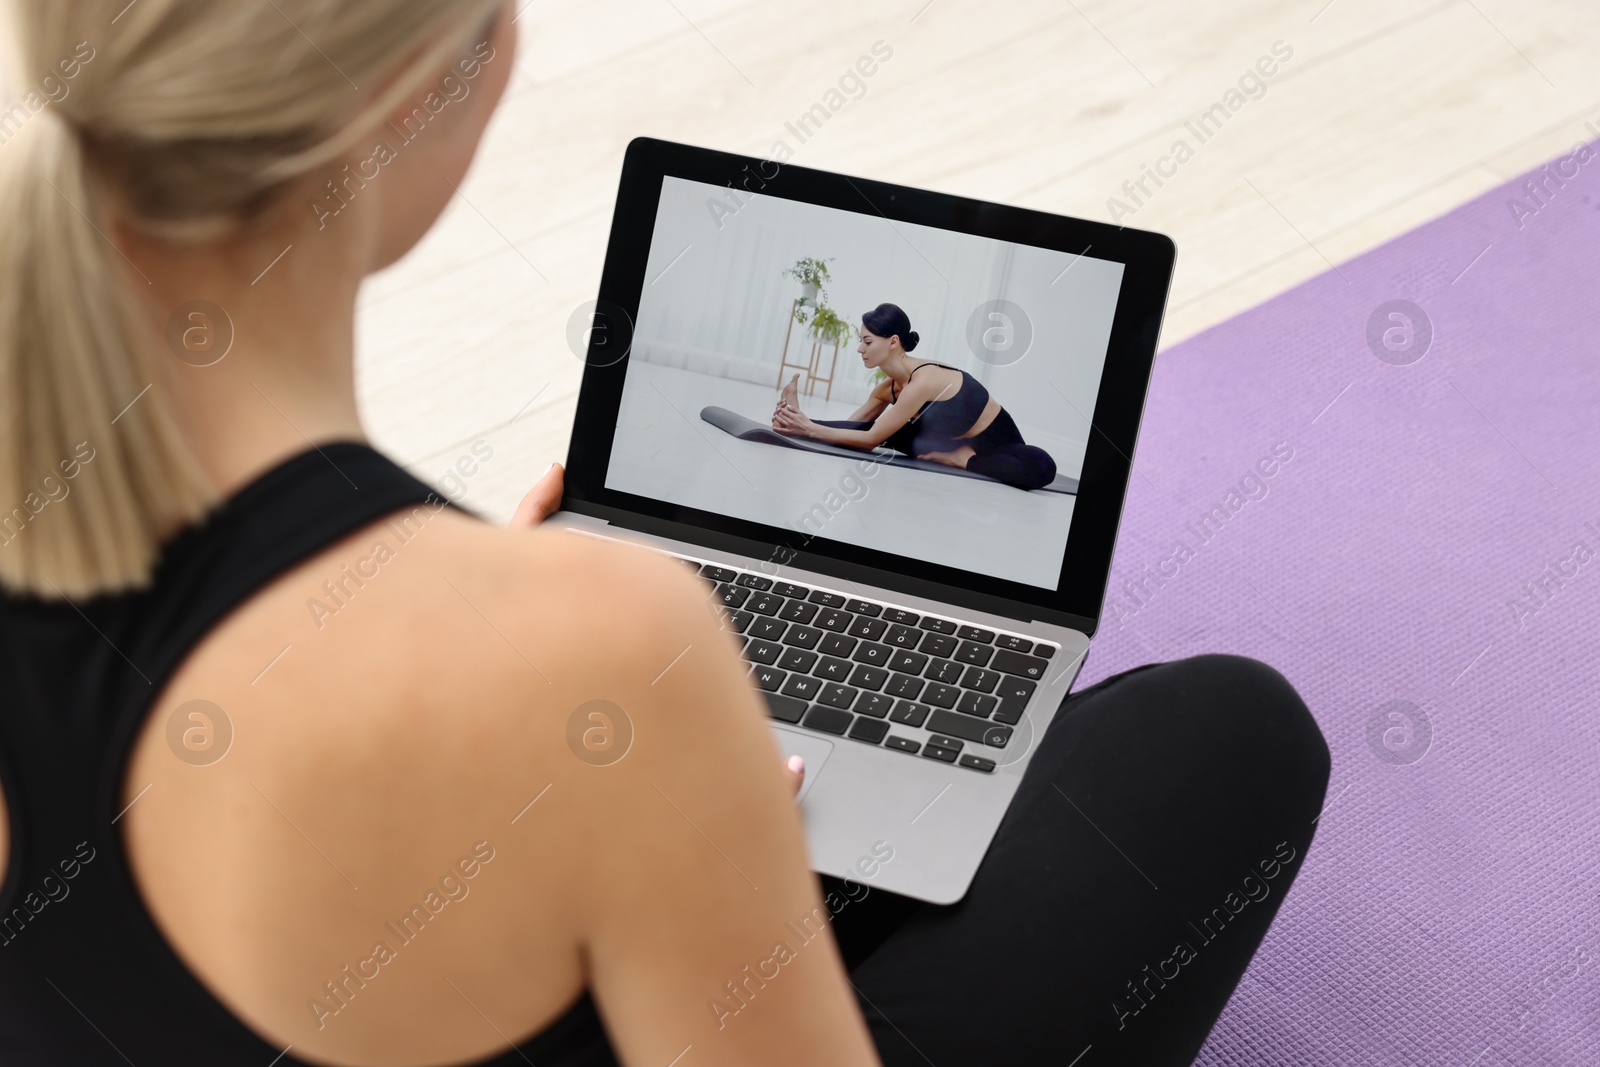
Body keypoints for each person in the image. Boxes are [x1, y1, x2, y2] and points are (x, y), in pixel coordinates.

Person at [0, 2, 1329, 1065]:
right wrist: (621, 729)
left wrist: (498, 634)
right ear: (418, 90)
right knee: (1223, 731)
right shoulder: (604, 642)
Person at [772, 303, 1059, 490]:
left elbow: (870, 439)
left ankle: (962, 460)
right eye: (861, 341)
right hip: (942, 441)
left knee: (1043, 468)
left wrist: (808, 429)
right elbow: (856, 428)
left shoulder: (924, 379)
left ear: (893, 342)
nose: (860, 348)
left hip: (996, 445)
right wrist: (802, 423)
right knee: (885, 432)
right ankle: (795, 418)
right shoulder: (888, 388)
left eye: (867, 341)